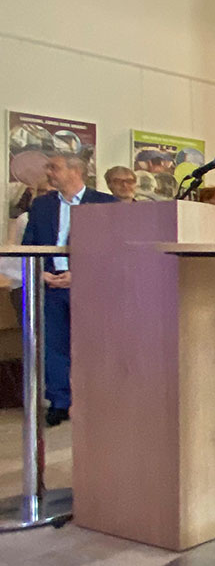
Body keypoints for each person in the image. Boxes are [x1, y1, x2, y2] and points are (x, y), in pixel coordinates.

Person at [21, 152, 115, 425]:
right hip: (52, 285)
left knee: (93, 345)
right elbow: (30, 246)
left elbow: (111, 249)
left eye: (54, 167)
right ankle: (60, 402)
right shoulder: (41, 205)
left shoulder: (104, 203)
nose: (48, 172)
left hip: (91, 287)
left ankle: (95, 400)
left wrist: (82, 274)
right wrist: (41, 274)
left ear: (76, 171)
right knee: (54, 346)